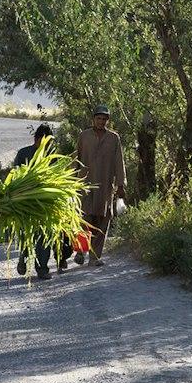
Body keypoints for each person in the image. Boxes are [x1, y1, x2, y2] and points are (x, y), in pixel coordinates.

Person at [73, 106, 126, 266]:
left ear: (107, 121)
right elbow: (76, 159)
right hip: (85, 185)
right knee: (84, 219)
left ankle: (95, 257)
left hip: (105, 186)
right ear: (93, 119)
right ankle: (81, 251)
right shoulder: (84, 136)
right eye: (99, 119)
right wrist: (70, 181)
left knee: (102, 220)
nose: (101, 122)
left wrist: (121, 185)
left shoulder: (113, 138)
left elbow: (119, 162)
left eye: (104, 119)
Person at [12, 123, 64, 280]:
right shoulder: (26, 154)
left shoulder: (50, 156)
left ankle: (41, 268)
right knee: (29, 234)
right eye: (46, 140)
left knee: (43, 235)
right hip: (29, 202)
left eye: (50, 141)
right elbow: (16, 175)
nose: (47, 144)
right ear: (37, 138)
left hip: (42, 203)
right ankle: (25, 259)